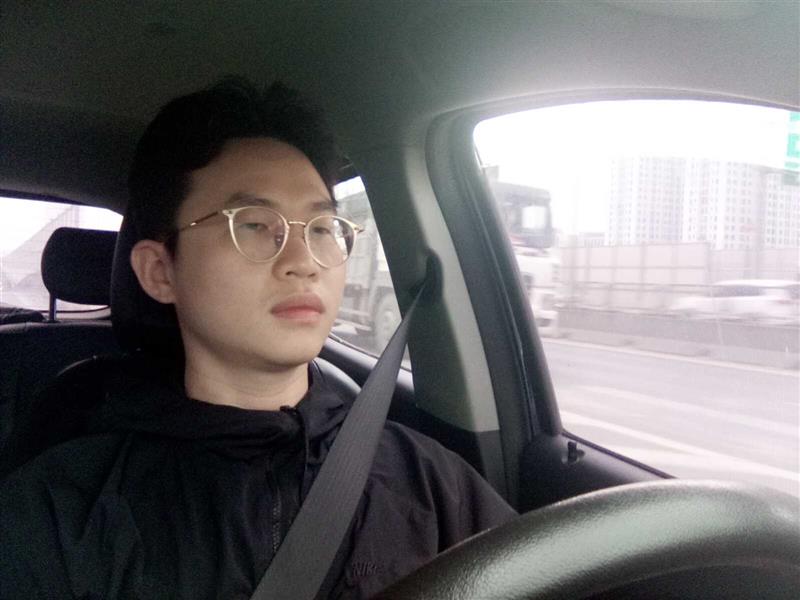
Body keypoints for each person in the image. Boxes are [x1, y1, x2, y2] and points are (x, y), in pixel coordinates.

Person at [0, 78, 516, 599]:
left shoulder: (433, 485)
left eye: (321, 227)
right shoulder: (60, 513)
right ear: (159, 271)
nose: (303, 262)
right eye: (252, 224)